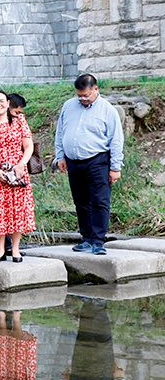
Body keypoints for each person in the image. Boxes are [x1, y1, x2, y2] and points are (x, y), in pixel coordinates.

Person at [54, 73, 124, 255]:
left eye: (86, 95)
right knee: (80, 201)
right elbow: (60, 132)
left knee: (100, 201)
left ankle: (98, 241)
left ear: (96, 89)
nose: (83, 99)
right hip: (73, 161)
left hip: (97, 160)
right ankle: (86, 238)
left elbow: (116, 139)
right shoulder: (68, 106)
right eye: (79, 96)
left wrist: (115, 167)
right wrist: (60, 156)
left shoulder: (108, 110)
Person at [0, 89, 36, 263]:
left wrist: (21, 164)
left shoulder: (19, 122)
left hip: (17, 172)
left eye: (1, 101)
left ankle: (15, 249)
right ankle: (0, 250)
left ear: (8, 103)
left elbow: (29, 146)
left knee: (17, 210)